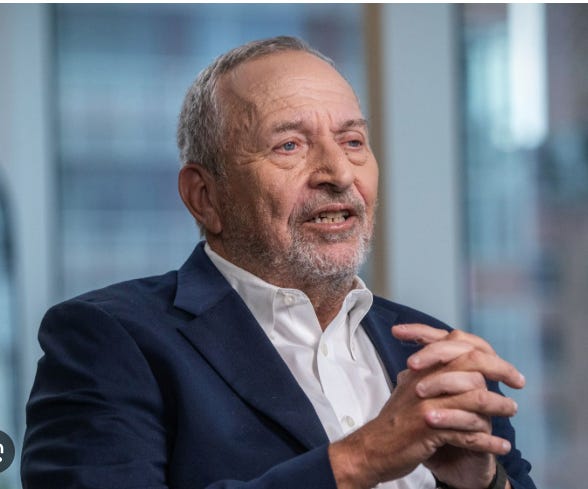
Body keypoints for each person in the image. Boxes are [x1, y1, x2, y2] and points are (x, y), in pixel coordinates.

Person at [21, 36, 536, 489]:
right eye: (289, 145)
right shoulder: (110, 341)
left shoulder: (432, 356)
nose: (338, 173)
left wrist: (483, 484)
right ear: (205, 197)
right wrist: (361, 459)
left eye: (353, 142)